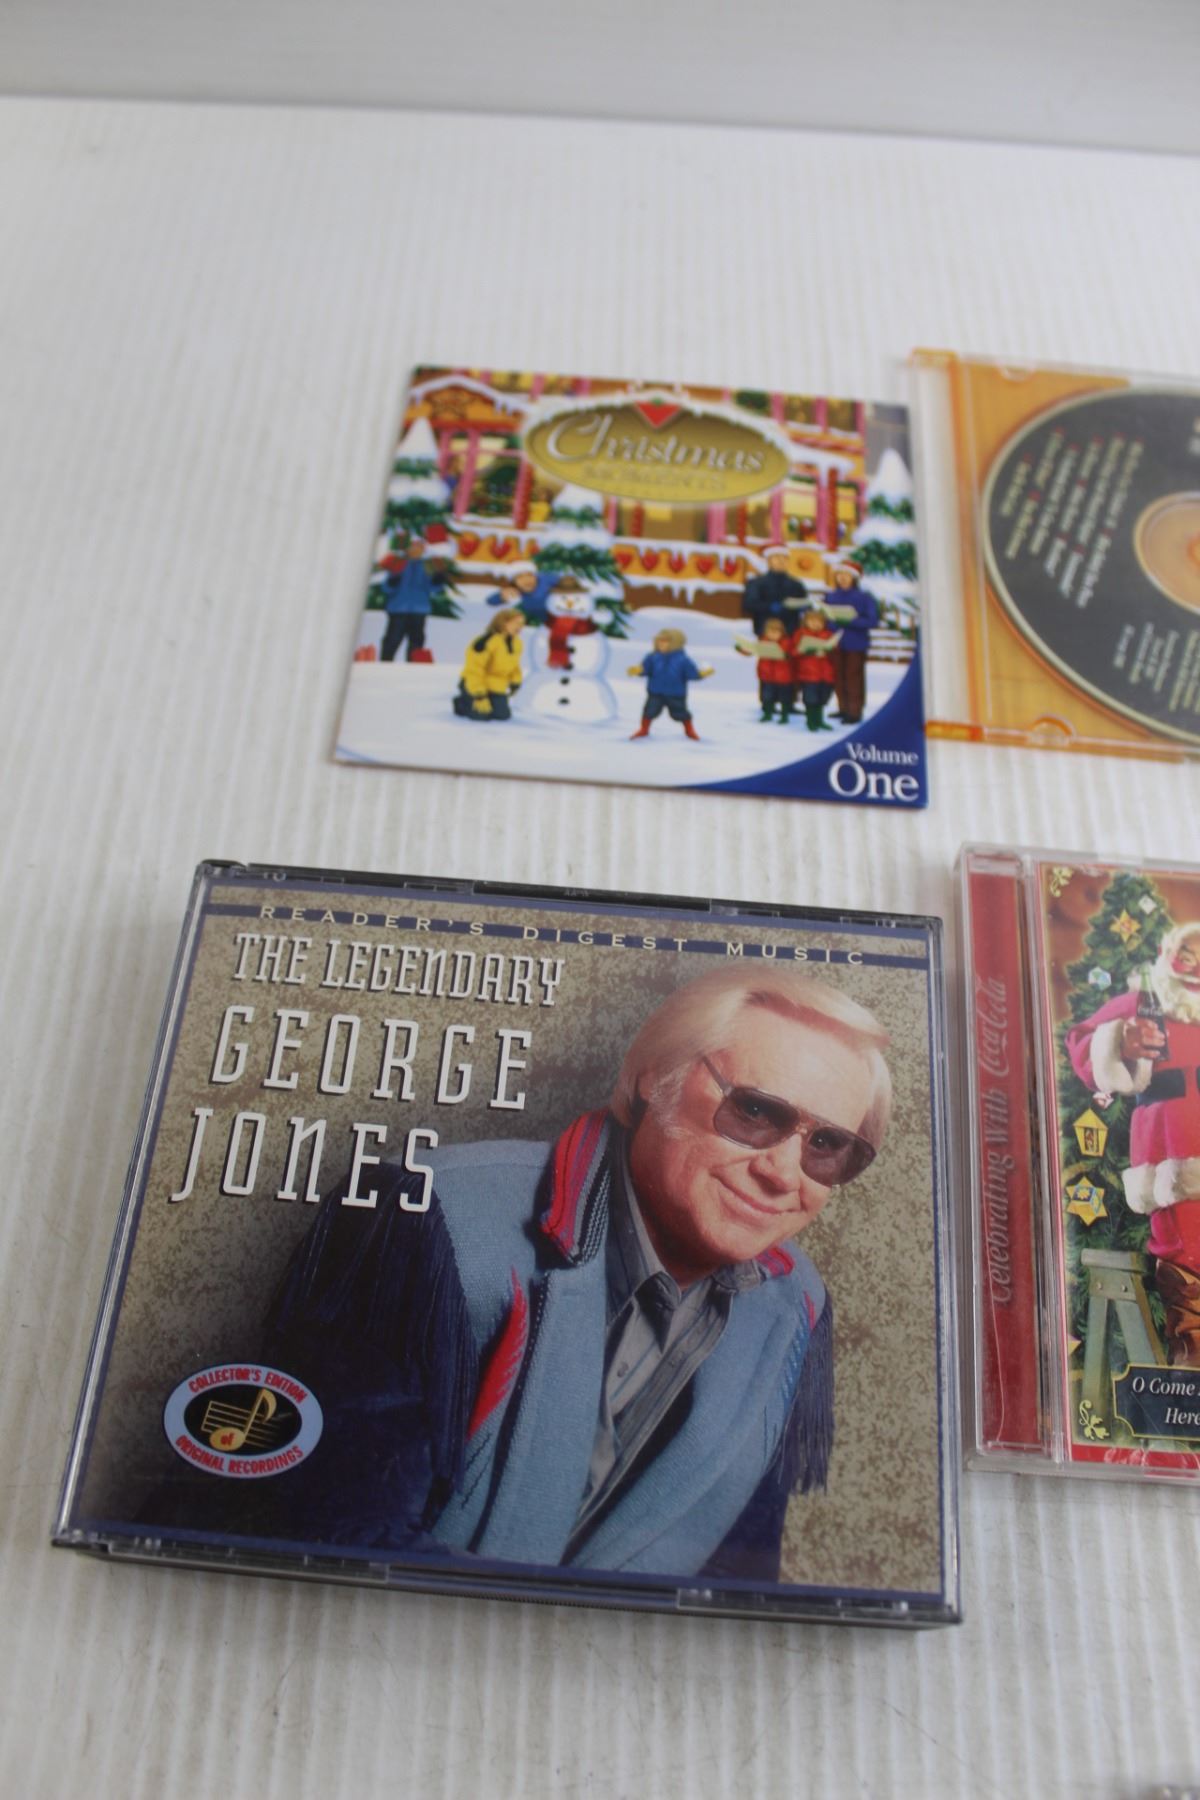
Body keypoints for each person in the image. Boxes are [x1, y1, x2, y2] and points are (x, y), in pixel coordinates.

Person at [258, 964, 892, 1578]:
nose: (782, 1173)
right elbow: (331, 1531)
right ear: (655, 1078)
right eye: (753, 1112)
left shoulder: (795, 1309)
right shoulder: (430, 1218)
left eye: (826, 1145)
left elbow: (738, 1584)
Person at [1067, 923, 1200, 1365]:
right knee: (1187, 1256)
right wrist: (1118, 1041)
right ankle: (1192, 1354)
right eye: (1187, 953)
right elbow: (1082, 1042)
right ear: (1167, 951)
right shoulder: (1146, 1002)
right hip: (1173, 1156)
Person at [628, 628, 713, 741]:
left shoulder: (683, 660)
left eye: (665, 641)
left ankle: (689, 730)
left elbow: (692, 674)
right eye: (659, 641)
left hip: (675, 693)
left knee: (680, 713)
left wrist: (701, 674)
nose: (661, 644)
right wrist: (638, 671)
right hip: (655, 692)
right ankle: (644, 729)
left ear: (675, 643)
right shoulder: (652, 657)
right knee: (649, 711)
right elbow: (646, 669)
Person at [376, 535, 449, 664]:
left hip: (419, 609)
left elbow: (433, 589)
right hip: (398, 608)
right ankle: (385, 663)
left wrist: (438, 581)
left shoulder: (427, 566)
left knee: (416, 640)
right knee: (393, 638)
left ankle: (413, 666)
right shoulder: (398, 563)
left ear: (423, 549)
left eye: (419, 547)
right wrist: (392, 582)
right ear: (407, 549)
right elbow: (386, 588)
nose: (416, 550)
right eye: (413, 547)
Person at [822, 562, 878, 724]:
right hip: (835, 643)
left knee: (853, 678)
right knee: (838, 677)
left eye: (846, 575)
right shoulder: (830, 596)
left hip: (856, 644)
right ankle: (843, 708)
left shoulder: (865, 597)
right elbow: (825, 618)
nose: (843, 578)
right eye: (840, 575)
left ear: (854, 578)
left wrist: (850, 621)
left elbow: (872, 621)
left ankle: (854, 711)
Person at [453, 607, 524, 720]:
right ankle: (462, 702)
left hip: (496, 685)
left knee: (502, 716)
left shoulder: (517, 643)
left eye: (522, 624)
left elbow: (515, 665)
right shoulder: (485, 641)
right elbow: (474, 668)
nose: (520, 627)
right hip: (473, 683)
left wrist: (515, 681)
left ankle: (491, 701)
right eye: (516, 623)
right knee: (481, 716)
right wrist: (479, 694)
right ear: (503, 623)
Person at [740, 544, 808, 640]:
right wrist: (769, 606)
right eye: (776, 557)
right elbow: (749, 604)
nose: (781, 561)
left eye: (784, 558)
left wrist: (804, 607)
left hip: (790, 634)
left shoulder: (796, 584)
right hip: (765, 632)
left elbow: (805, 604)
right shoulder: (756, 583)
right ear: (768, 561)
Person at [790, 605, 842, 732]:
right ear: (806, 622)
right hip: (808, 673)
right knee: (810, 698)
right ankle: (810, 721)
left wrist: (830, 650)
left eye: (819, 621)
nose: (815, 624)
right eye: (812, 621)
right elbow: (793, 652)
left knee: (822, 698)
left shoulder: (828, 634)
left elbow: (836, 652)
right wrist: (804, 651)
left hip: (826, 674)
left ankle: (820, 720)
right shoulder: (800, 634)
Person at [734, 616, 795, 723]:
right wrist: (741, 649)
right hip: (766, 675)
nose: (773, 634)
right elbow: (751, 651)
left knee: (784, 697)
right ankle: (767, 714)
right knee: (767, 696)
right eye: (770, 632)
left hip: (783, 676)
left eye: (776, 632)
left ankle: (784, 716)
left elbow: (793, 654)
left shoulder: (787, 642)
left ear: (782, 632)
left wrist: (787, 655)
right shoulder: (762, 641)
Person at [486, 562, 560, 625]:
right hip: (541, 622)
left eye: (530, 575)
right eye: (520, 577)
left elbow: (563, 580)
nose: (526, 580)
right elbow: (490, 601)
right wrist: (501, 596)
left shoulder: (546, 580)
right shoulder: (517, 591)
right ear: (514, 582)